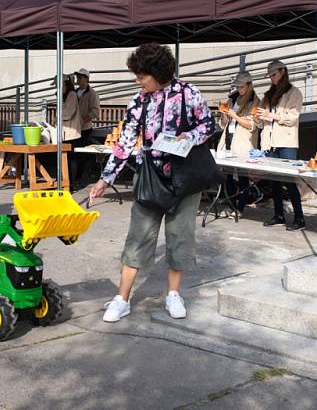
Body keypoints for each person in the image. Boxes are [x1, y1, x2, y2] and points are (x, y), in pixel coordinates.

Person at [89, 43, 216, 323]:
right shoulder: (139, 101)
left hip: (184, 177)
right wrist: (105, 179)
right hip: (150, 177)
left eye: (142, 75)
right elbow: (124, 142)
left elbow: (208, 125)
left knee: (179, 237)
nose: (138, 80)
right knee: (138, 236)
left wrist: (189, 138)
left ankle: (173, 294)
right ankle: (122, 299)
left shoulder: (189, 93)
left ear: (158, 73)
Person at [254, 60, 305, 231]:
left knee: (289, 181)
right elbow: (261, 122)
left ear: (283, 71)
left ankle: (299, 218)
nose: (272, 78)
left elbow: (292, 118)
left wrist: (271, 115)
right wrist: (259, 116)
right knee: (274, 181)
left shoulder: (294, 92)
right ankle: (279, 215)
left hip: (286, 143)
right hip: (269, 142)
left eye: (274, 74)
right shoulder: (268, 95)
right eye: (270, 76)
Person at [217, 71, 260, 217]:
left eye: (242, 86)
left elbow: (251, 124)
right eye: (237, 86)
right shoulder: (232, 99)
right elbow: (223, 124)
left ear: (249, 85)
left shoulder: (255, 101)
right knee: (227, 176)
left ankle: (240, 208)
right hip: (228, 139)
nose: (239, 89)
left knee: (243, 177)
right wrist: (223, 113)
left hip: (242, 143)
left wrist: (234, 115)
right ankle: (230, 206)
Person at [74, 68, 100, 144]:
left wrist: (83, 121)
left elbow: (95, 112)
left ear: (87, 79)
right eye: (77, 77)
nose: (77, 80)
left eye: (80, 78)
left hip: (85, 129)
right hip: (74, 128)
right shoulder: (74, 92)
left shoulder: (92, 93)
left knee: (80, 150)